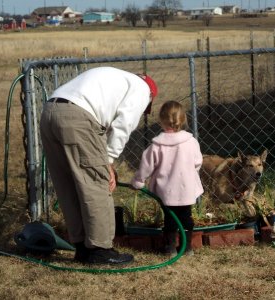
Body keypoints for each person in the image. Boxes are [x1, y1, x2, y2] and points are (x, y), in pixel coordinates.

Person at [40, 66, 158, 265]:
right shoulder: (142, 89)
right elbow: (123, 126)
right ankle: (100, 250)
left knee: (67, 184)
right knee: (96, 184)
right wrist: (108, 161)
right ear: (151, 95)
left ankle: (82, 248)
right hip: (77, 116)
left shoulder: (115, 78)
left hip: (50, 112)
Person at [131, 100, 204, 256]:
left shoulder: (157, 146)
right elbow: (198, 162)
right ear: (183, 120)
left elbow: (146, 166)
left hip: (167, 191)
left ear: (161, 120)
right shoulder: (191, 142)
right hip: (186, 189)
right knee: (186, 217)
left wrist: (139, 180)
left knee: (170, 218)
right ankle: (187, 247)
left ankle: (170, 247)